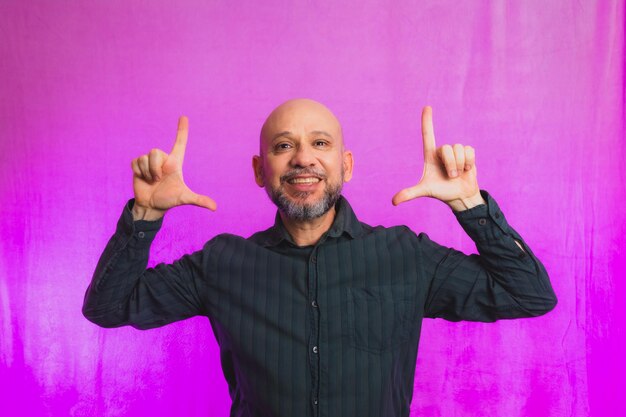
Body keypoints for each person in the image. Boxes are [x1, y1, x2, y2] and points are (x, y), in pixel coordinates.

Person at [82, 99, 557, 417]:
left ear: (345, 165)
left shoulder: (405, 255)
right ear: (260, 170)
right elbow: (107, 306)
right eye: (283, 145)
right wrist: (144, 213)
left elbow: (530, 294)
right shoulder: (221, 263)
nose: (302, 158)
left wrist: (468, 205)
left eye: (320, 144)